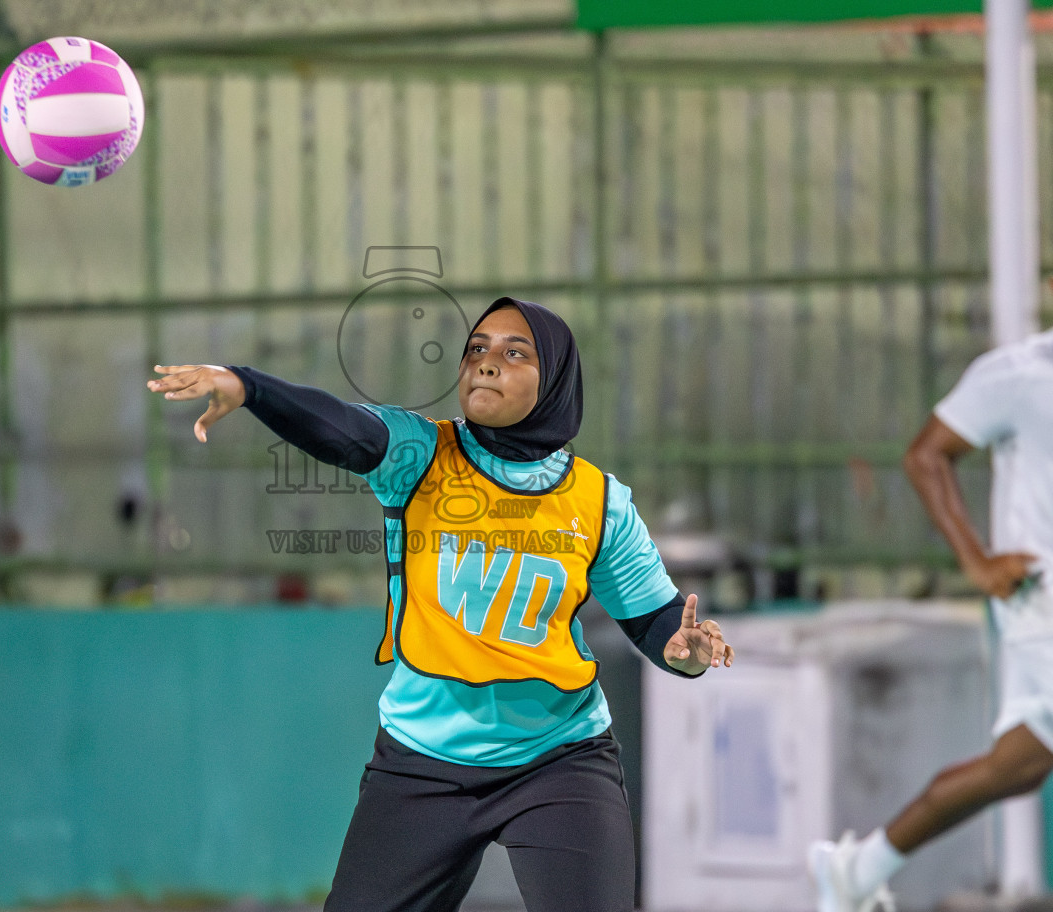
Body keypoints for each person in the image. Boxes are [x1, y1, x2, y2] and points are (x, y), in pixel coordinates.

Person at [148, 296, 734, 912]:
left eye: (514, 353)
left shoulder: (599, 501)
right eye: (476, 350)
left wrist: (685, 653)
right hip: (423, 758)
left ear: (555, 378)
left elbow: (658, 624)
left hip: (558, 759)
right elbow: (342, 428)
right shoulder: (421, 455)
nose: (486, 363)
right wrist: (249, 386)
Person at [809, 220, 1053, 912]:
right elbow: (927, 456)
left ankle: (857, 869)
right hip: (1046, 602)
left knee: (1014, 770)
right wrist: (978, 563)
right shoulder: (1019, 374)